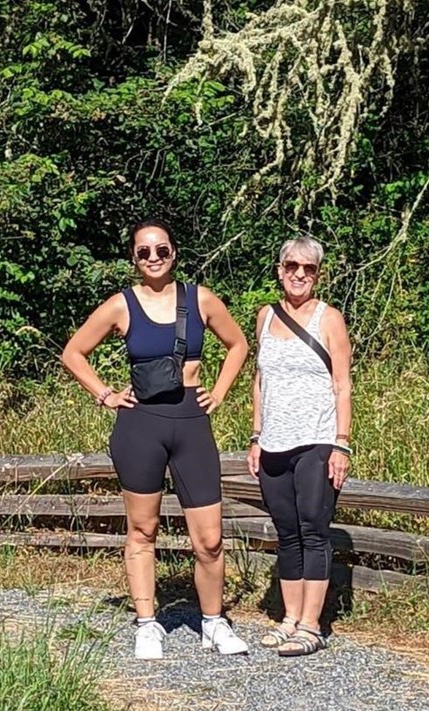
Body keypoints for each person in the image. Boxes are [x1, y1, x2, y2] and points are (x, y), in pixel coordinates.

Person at [61, 219, 251, 660]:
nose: (153, 258)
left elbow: (237, 344)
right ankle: (148, 624)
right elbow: (73, 352)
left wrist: (219, 392)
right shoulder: (121, 306)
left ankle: (212, 622)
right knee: (142, 530)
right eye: (143, 252)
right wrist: (105, 394)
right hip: (140, 424)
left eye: (161, 250)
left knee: (209, 539)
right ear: (133, 257)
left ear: (174, 253)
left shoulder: (200, 299)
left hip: (190, 422)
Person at [246, 236, 352, 657]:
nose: (299, 274)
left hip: (317, 439)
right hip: (274, 442)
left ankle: (312, 624)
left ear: (318, 275)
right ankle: (289, 616)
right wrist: (256, 436)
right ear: (279, 269)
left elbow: (342, 384)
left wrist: (341, 444)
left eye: (308, 269)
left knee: (313, 528)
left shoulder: (329, 319)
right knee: (286, 532)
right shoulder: (264, 317)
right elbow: (259, 380)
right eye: (291, 266)